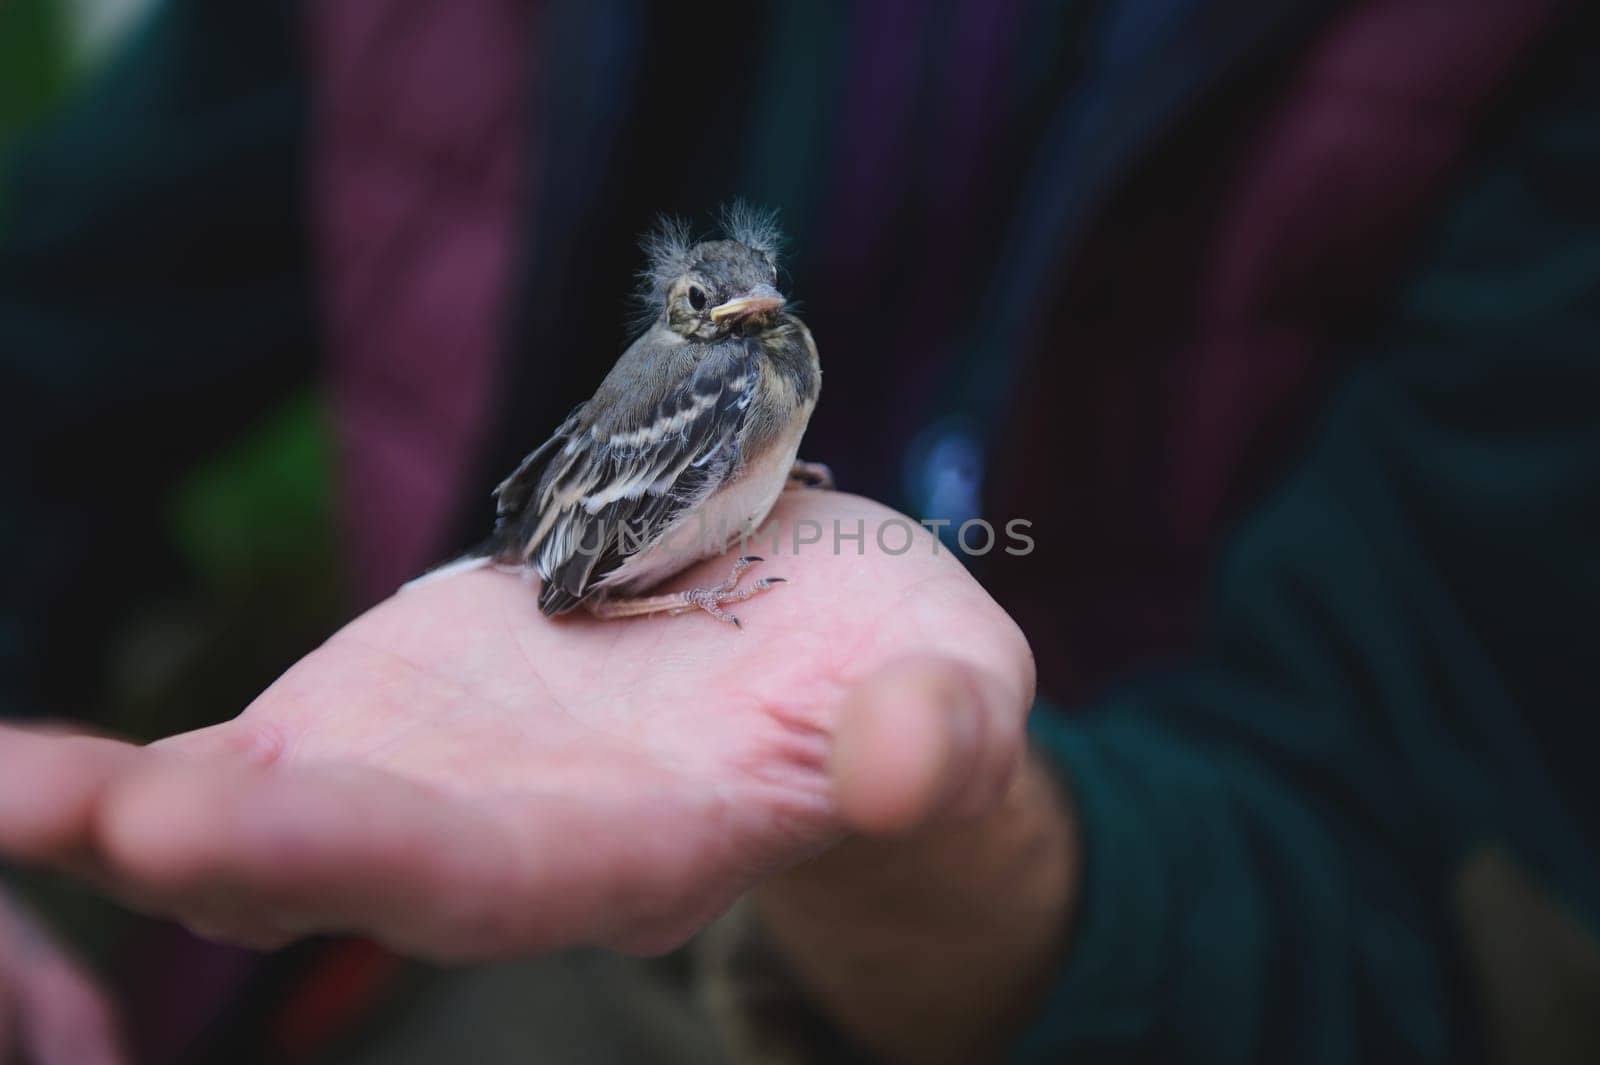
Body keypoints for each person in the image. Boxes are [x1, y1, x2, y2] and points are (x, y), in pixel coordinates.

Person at [2, 1, 1597, 1063]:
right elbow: (46, 332)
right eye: (717, 308)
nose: (745, 323)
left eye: (752, 311)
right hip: (405, 933)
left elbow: (1460, 872)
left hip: (1120, 939)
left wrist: (978, 885)